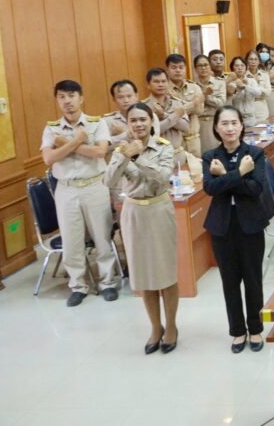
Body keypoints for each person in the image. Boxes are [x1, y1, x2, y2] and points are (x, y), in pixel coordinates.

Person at [105, 103, 179, 354]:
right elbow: (108, 180)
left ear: (151, 121)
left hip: (159, 209)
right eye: (133, 120)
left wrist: (137, 158)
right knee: (143, 273)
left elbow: (163, 176)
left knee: (166, 272)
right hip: (134, 212)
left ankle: (171, 326)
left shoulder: (163, 147)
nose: (138, 124)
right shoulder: (122, 150)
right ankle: (155, 327)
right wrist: (124, 155)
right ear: (127, 124)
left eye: (142, 119)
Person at [202, 106, 274, 353]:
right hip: (222, 226)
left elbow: (256, 189)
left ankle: (255, 328)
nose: (230, 128)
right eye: (224, 123)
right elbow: (211, 188)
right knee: (230, 281)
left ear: (242, 126)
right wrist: (240, 174)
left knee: (253, 279)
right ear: (216, 128)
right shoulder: (210, 156)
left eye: (234, 122)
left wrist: (226, 175)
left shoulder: (255, 153)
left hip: (250, 224)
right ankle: (237, 331)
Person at [42, 80, 119, 307]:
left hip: (95, 186)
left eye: (71, 95)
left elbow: (100, 152)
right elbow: (49, 158)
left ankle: (107, 283)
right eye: (62, 97)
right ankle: (78, 286)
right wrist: (76, 141)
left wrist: (64, 144)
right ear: (57, 100)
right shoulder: (51, 128)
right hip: (66, 189)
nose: (67, 101)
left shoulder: (97, 123)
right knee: (71, 240)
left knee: (102, 236)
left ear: (81, 98)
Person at [144, 68, 190, 165]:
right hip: (156, 157)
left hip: (178, 155)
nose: (160, 84)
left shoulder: (177, 102)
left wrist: (164, 115)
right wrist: (175, 116)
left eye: (163, 81)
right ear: (148, 85)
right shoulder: (144, 107)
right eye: (156, 82)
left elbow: (186, 127)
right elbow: (152, 131)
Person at [165, 54, 204, 159]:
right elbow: (171, 114)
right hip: (175, 141)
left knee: (197, 167)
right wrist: (193, 103)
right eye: (174, 67)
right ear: (167, 70)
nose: (178, 70)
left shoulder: (194, 87)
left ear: (186, 69)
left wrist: (182, 108)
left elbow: (200, 110)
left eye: (181, 67)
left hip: (194, 139)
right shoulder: (164, 89)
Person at [104, 79, 140, 149]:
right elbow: (103, 147)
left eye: (129, 96)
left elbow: (151, 141)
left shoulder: (149, 116)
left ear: (136, 96)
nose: (126, 100)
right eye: (120, 97)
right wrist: (124, 135)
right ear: (114, 99)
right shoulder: (107, 121)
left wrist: (122, 132)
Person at [227, 57, 262, 126]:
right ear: (232, 68)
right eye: (236, 66)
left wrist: (245, 86)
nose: (240, 68)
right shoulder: (230, 83)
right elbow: (230, 99)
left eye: (242, 65)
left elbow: (258, 93)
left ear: (246, 67)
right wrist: (237, 88)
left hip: (251, 118)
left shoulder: (251, 80)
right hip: (236, 118)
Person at [245, 50, 272, 123]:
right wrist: (261, 91)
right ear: (247, 61)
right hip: (248, 109)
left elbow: (268, 92)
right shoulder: (244, 75)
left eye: (255, 59)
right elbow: (246, 94)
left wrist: (254, 90)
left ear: (259, 61)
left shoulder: (264, 75)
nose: (253, 62)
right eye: (251, 59)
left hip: (262, 109)